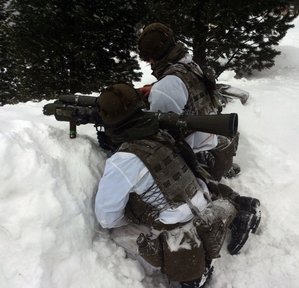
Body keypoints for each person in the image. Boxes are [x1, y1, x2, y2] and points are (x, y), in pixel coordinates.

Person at [94, 83, 261, 287]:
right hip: (204, 205)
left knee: (117, 232)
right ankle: (230, 213)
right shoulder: (163, 132)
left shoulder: (123, 161)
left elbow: (106, 217)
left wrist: (134, 213)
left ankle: (192, 271)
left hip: (180, 237)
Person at [137, 22, 240, 181]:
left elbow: (161, 135)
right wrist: (156, 87)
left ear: (152, 58)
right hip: (209, 131)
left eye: (148, 59)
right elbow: (184, 86)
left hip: (195, 149)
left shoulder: (167, 86)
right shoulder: (188, 63)